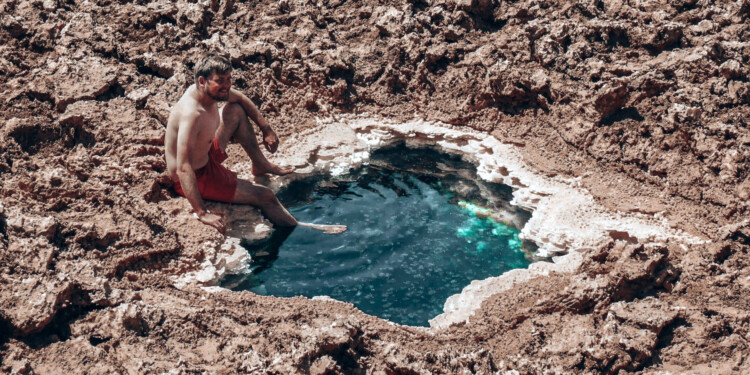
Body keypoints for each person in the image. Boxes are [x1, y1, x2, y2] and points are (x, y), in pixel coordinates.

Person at [165, 54, 346, 234]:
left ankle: (260, 164)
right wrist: (201, 212)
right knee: (266, 196)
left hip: (205, 154)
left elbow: (241, 99)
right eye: (220, 80)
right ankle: (306, 228)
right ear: (202, 81)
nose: (227, 85)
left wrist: (266, 129)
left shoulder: (206, 91)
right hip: (196, 176)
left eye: (229, 79)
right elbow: (183, 168)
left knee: (235, 111)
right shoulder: (192, 114)